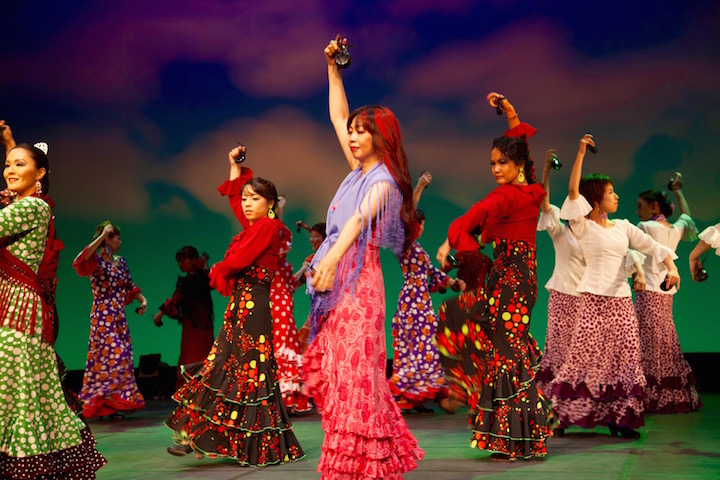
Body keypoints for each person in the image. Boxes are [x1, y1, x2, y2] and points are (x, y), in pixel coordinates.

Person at [302, 35, 424, 478]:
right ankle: (358, 466)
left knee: (357, 379)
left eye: (361, 131)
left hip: (358, 290)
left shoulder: (384, 183)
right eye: (352, 131)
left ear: (380, 136)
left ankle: (365, 467)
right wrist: (333, 69)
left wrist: (330, 260)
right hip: (337, 289)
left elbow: (356, 223)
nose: (352, 136)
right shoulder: (358, 170)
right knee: (340, 377)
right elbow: (337, 115)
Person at [165, 145, 304, 466]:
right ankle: (196, 433)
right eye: (245, 198)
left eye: (254, 198)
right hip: (241, 305)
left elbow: (239, 260)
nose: (247, 203)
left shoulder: (268, 228)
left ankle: (250, 444)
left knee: (249, 371)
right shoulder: (256, 227)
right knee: (224, 366)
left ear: (271, 204)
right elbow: (235, 204)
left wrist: (218, 268)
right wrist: (233, 166)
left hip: (254, 306)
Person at [436, 92, 552, 461]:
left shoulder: (506, 198)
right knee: (507, 353)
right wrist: (511, 115)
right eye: (492, 163)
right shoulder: (527, 193)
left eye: (502, 162)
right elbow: (523, 153)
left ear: (517, 165)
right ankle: (520, 436)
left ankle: (514, 437)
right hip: (515, 281)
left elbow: (477, 212)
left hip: (510, 284)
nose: (496, 169)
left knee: (506, 355)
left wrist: (452, 239)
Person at [550, 134, 680, 438]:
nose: (617, 196)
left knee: (626, 360)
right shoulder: (582, 226)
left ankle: (620, 417)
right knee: (584, 359)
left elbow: (652, 247)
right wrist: (580, 152)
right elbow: (572, 192)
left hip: (621, 302)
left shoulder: (623, 226)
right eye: (610, 192)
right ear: (596, 199)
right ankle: (563, 415)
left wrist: (672, 267)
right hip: (593, 301)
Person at [0, 141, 106, 477]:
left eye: (19, 164)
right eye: (7, 164)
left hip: (18, 313)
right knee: (23, 389)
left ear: (40, 173)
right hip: (15, 307)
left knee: (17, 389)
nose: (9, 170)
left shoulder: (33, 207)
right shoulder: (25, 205)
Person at [388, 172, 464, 413]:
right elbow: (406, 218)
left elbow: (433, 275)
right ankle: (408, 395)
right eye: (419, 224)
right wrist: (419, 186)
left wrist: (454, 283)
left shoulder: (419, 250)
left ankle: (417, 395)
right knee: (418, 345)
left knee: (423, 345)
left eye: (422, 225)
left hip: (421, 300)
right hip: (412, 302)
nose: (421, 228)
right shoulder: (405, 244)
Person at [635, 175, 702, 413]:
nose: (638, 211)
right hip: (667, 291)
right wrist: (678, 191)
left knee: (648, 341)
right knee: (664, 339)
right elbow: (687, 218)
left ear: (654, 207)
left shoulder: (645, 227)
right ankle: (671, 393)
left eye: (641, 206)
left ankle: (652, 395)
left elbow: (632, 255)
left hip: (649, 290)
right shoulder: (674, 229)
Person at [73, 221, 148, 419]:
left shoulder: (121, 262)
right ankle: (102, 401)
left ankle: (110, 407)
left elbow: (129, 285)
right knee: (117, 356)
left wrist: (142, 300)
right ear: (108, 239)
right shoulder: (95, 261)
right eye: (117, 238)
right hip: (102, 315)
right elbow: (81, 259)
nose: (120, 242)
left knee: (115, 360)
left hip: (119, 317)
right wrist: (101, 236)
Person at [534, 149, 586, 396]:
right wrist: (546, 170)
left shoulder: (592, 234)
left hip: (586, 299)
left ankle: (579, 393)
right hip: (563, 295)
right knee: (559, 347)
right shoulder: (560, 230)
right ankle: (556, 394)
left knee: (582, 348)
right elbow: (544, 204)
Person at [267, 197, 311, 414]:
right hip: (276, 307)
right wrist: (279, 209)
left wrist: (304, 272)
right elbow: (276, 233)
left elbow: (290, 285)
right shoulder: (273, 260)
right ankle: (279, 400)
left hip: (285, 307)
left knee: (288, 347)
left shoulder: (283, 264)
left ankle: (289, 400)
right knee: (281, 347)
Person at [153, 246, 215, 390]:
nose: (180, 264)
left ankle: (194, 392)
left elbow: (175, 299)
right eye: (179, 261)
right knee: (201, 356)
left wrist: (159, 315)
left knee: (193, 356)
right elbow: (207, 274)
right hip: (200, 324)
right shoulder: (200, 278)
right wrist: (204, 261)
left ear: (193, 261)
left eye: (183, 261)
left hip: (196, 326)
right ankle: (202, 392)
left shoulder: (189, 281)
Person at [293, 221, 326, 353]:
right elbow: (297, 280)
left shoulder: (330, 257)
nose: (312, 240)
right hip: (317, 308)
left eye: (316, 237)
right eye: (311, 236)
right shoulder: (312, 260)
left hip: (328, 307)